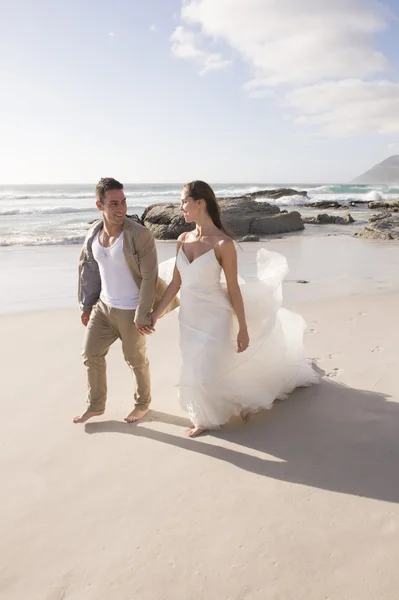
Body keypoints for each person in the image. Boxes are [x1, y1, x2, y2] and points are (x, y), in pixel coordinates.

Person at [152, 180, 319, 437]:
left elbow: (233, 289)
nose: (180, 206)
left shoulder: (223, 244)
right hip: (189, 317)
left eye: (184, 201)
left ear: (200, 202)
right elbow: (175, 283)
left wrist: (242, 327)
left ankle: (205, 419)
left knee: (206, 367)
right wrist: (156, 314)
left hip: (215, 316)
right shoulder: (183, 239)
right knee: (195, 363)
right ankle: (239, 403)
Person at [74, 177, 178, 424]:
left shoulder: (139, 235)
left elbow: (149, 277)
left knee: (135, 360)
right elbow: (87, 270)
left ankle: (142, 404)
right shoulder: (93, 234)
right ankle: (96, 405)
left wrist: (143, 314)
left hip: (132, 309)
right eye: (113, 204)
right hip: (104, 307)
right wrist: (86, 305)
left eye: (123, 202)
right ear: (100, 206)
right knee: (90, 354)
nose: (121, 209)